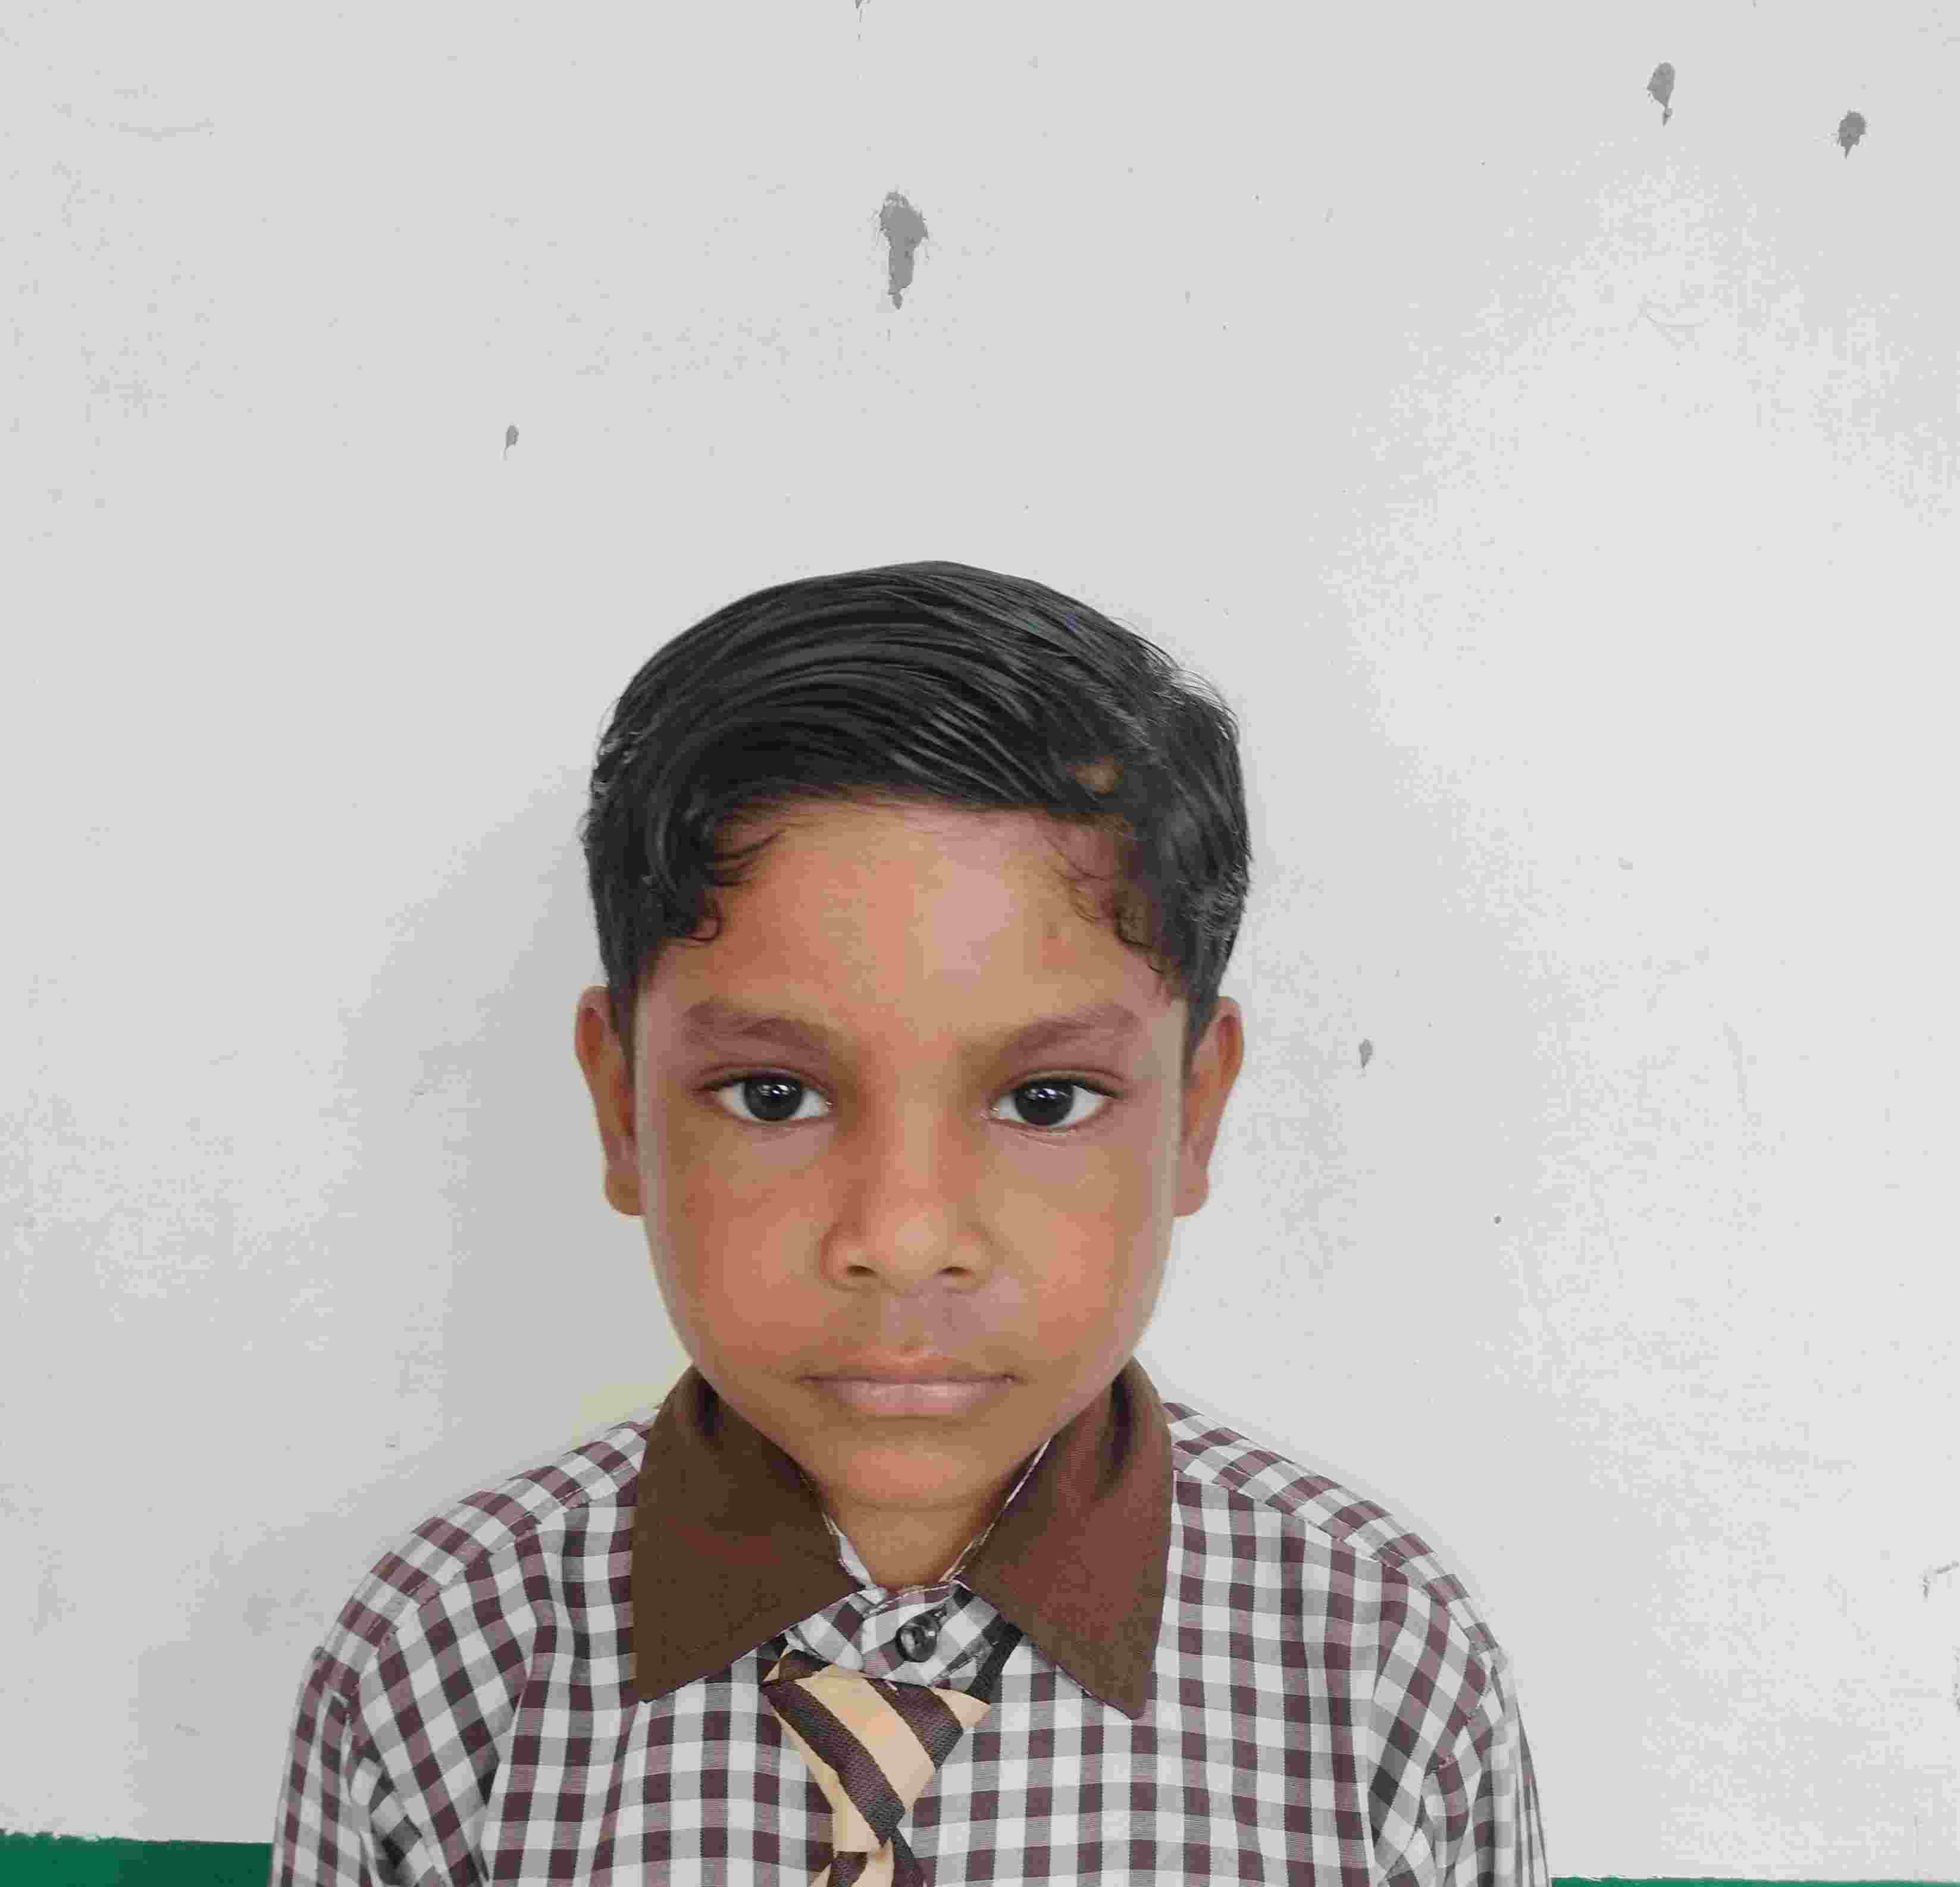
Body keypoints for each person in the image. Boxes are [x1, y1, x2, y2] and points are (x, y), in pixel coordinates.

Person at [268, 559, 1549, 1883]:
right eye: (775, 1095)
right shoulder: (438, 1660)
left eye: (1046, 1100)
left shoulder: (1381, 1664)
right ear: (621, 1107)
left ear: (1195, 1113)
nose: (904, 1233)